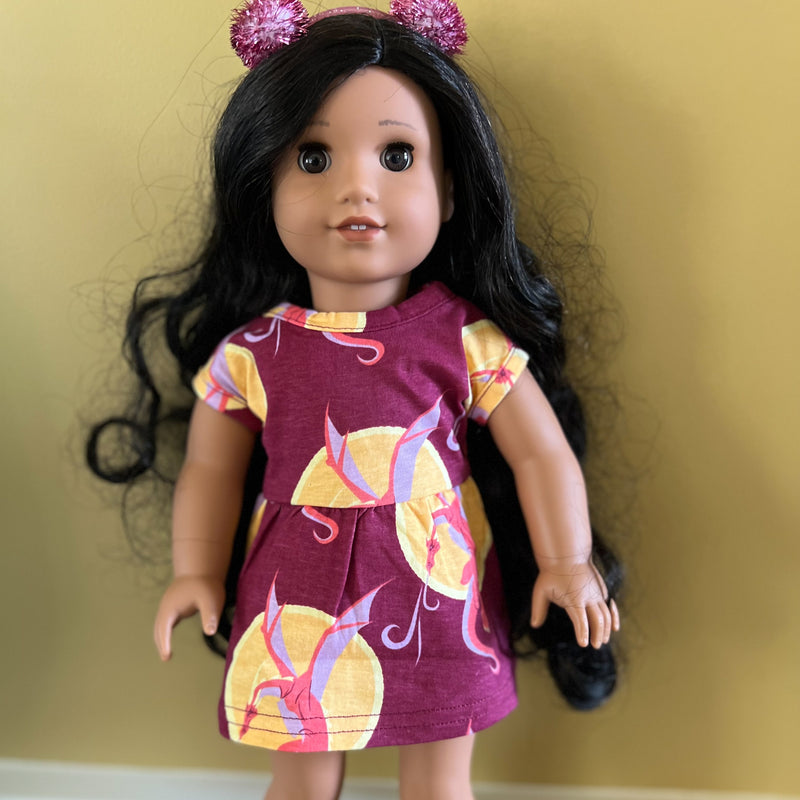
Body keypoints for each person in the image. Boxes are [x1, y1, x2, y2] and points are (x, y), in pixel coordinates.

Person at [88, 2, 621, 798]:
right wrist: (195, 570)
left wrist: (567, 560)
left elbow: (540, 452)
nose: (357, 188)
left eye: (397, 155)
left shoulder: (463, 339)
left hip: (438, 591)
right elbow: (211, 469)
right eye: (313, 158)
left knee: (439, 782)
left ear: (448, 191)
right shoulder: (253, 353)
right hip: (295, 596)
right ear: (264, 187)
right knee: (302, 780)